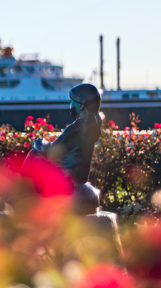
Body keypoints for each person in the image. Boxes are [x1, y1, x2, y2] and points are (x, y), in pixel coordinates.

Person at [24, 83, 103, 213]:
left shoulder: (75, 128)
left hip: (68, 174)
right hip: (80, 175)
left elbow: (52, 152)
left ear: (80, 106)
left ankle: (20, 196)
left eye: (72, 102)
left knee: (34, 154)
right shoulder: (93, 123)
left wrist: (39, 144)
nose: (70, 105)